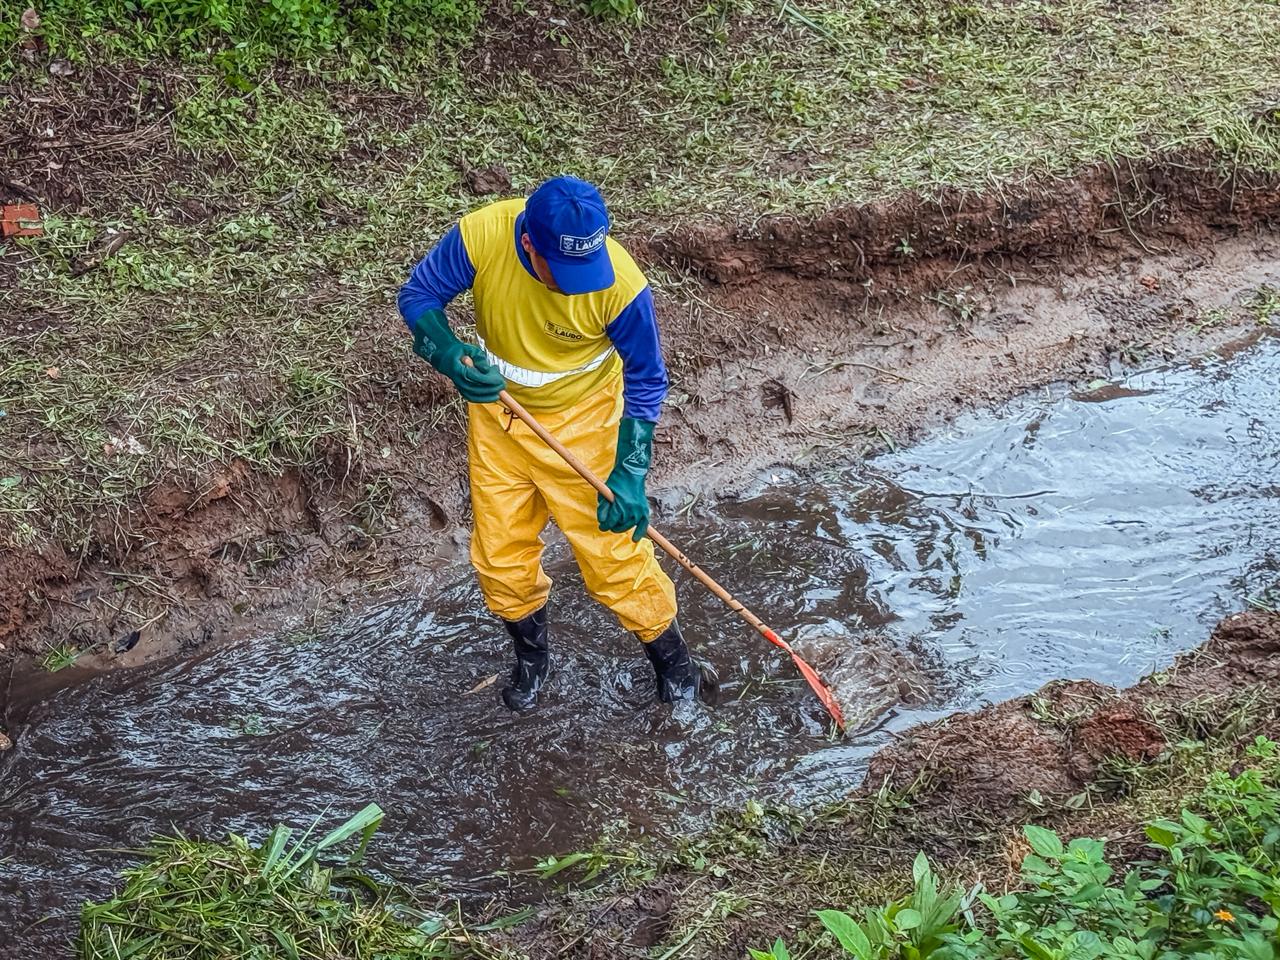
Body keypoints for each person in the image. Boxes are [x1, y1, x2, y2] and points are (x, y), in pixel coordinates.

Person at [398, 175, 716, 712]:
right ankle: (531, 659)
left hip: (586, 422)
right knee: (500, 554)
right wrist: (448, 354)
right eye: (565, 271)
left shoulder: (620, 286)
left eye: (587, 268)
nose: (578, 287)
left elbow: (646, 377)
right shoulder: (483, 235)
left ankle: (675, 666)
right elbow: (418, 295)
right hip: (499, 418)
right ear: (528, 244)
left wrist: (630, 471)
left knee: (613, 553)